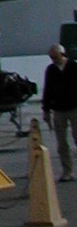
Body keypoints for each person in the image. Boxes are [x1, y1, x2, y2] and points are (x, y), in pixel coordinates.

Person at [42, 43, 77, 182]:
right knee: (62, 143)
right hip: (58, 110)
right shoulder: (50, 70)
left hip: (75, 108)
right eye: (52, 58)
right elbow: (47, 90)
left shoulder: (74, 67)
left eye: (55, 57)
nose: (54, 60)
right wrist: (46, 110)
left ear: (63, 54)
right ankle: (67, 171)